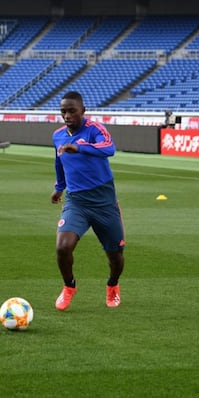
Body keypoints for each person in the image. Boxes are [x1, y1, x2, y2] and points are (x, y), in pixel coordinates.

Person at [51, 91, 125, 311]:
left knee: (115, 255)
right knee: (63, 247)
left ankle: (112, 285)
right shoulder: (58, 136)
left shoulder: (94, 129)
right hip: (77, 202)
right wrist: (59, 188)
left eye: (71, 110)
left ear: (83, 110)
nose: (67, 115)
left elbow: (109, 148)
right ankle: (69, 286)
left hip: (104, 202)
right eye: (63, 111)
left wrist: (80, 147)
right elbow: (59, 161)